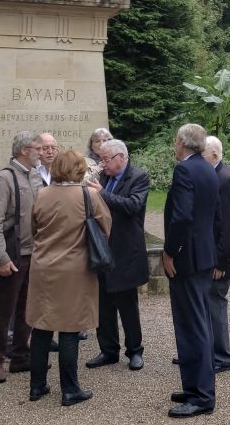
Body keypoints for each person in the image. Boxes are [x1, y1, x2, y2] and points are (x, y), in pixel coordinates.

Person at [25, 149, 110, 406]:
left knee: (41, 327)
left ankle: (37, 386)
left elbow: (34, 228)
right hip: (75, 269)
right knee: (70, 329)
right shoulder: (89, 195)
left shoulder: (41, 194)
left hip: (43, 268)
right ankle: (70, 390)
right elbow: (105, 228)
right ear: (80, 169)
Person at [163, 124, 220, 418]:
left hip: (188, 259)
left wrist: (171, 251)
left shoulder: (185, 170)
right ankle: (194, 386)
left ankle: (201, 396)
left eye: (175, 141)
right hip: (203, 256)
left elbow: (182, 217)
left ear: (183, 142)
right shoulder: (208, 168)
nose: (174, 145)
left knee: (192, 327)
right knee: (197, 324)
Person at [85, 139, 150, 372]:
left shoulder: (138, 177)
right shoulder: (101, 177)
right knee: (103, 303)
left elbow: (133, 206)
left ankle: (135, 351)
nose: (102, 164)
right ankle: (108, 350)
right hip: (101, 249)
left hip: (126, 251)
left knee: (127, 305)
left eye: (106, 159)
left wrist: (102, 194)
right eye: (100, 159)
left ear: (121, 157)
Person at [0, 130, 41, 384]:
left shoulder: (36, 175)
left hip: (34, 253)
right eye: (37, 148)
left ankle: (20, 356)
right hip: (13, 255)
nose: (41, 152)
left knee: (27, 308)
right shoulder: (4, 179)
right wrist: (0, 258)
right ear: (23, 151)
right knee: (4, 310)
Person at [205, 136, 230, 374]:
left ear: (215, 155)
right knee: (206, 304)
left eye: (203, 155)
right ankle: (205, 351)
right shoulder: (213, 176)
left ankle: (222, 356)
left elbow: (229, 226)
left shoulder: (226, 180)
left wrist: (221, 261)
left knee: (215, 304)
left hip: (221, 260)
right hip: (210, 256)